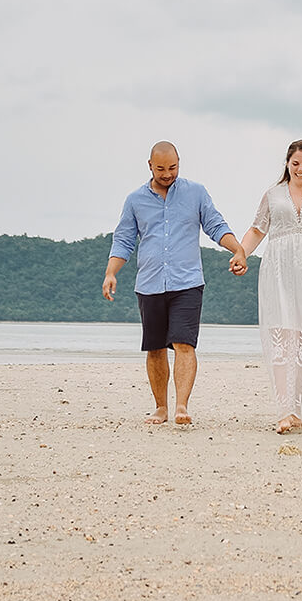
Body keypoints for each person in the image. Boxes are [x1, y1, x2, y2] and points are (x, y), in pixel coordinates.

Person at [102, 141, 244, 428]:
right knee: (155, 348)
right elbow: (124, 239)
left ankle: (181, 405)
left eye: (173, 167)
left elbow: (215, 225)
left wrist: (238, 250)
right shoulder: (134, 200)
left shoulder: (196, 193)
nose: (167, 174)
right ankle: (160, 407)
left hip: (187, 282)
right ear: (150, 166)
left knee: (183, 342)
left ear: (179, 162)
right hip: (150, 283)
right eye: (161, 169)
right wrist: (111, 272)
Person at [230, 139, 302, 432]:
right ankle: (284, 409)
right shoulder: (273, 194)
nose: (300, 169)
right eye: (295, 164)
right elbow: (258, 230)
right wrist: (241, 253)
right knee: (283, 339)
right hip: (279, 273)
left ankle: (297, 407)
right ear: (287, 163)